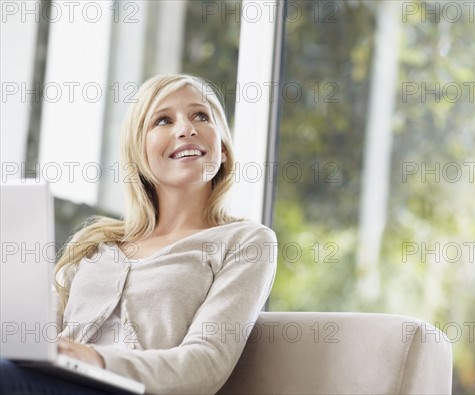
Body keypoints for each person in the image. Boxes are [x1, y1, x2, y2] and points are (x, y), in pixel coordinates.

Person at [0, 74, 278, 394]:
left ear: (224, 149)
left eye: (201, 116)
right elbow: (35, 338)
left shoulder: (246, 242)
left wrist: (96, 359)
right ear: (139, 152)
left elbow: (206, 363)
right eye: (163, 120)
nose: (186, 128)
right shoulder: (92, 244)